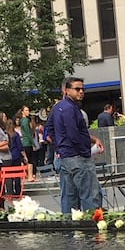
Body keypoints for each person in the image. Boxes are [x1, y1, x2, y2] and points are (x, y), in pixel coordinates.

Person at [52, 76, 104, 212]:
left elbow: (49, 131)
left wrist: (59, 148)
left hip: (65, 157)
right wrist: (84, 151)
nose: (81, 92)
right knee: (90, 195)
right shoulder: (70, 108)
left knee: (69, 198)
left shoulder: (57, 107)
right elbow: (73, 133)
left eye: (82, 89)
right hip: (78, 157)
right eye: (77, 89)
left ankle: (70, 229)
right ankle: (92, 227)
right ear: (66, 90)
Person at [17, 106, 37, 180]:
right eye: (26, 110)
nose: (28, 112)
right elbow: (28, 133)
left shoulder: (22, 120)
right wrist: (33, 143)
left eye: (28, 110)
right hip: (27, 142)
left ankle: (29, 175)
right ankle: (30, 176)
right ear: (22, 112)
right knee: (30, 159)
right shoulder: (25, 121)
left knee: (28, 159)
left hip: (24, 141)